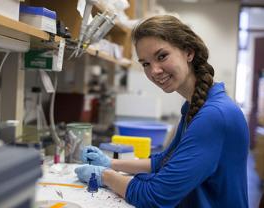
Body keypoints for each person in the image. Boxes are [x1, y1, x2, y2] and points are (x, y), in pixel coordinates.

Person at [74, 15, 249, 208]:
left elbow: (155, 196)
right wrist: (110, 163)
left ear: (188, 52)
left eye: (162, 56)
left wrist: (104, 176)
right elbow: (166, 160)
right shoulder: (195, 106)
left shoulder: (215, 115)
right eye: (146, 64)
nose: (154, 71)